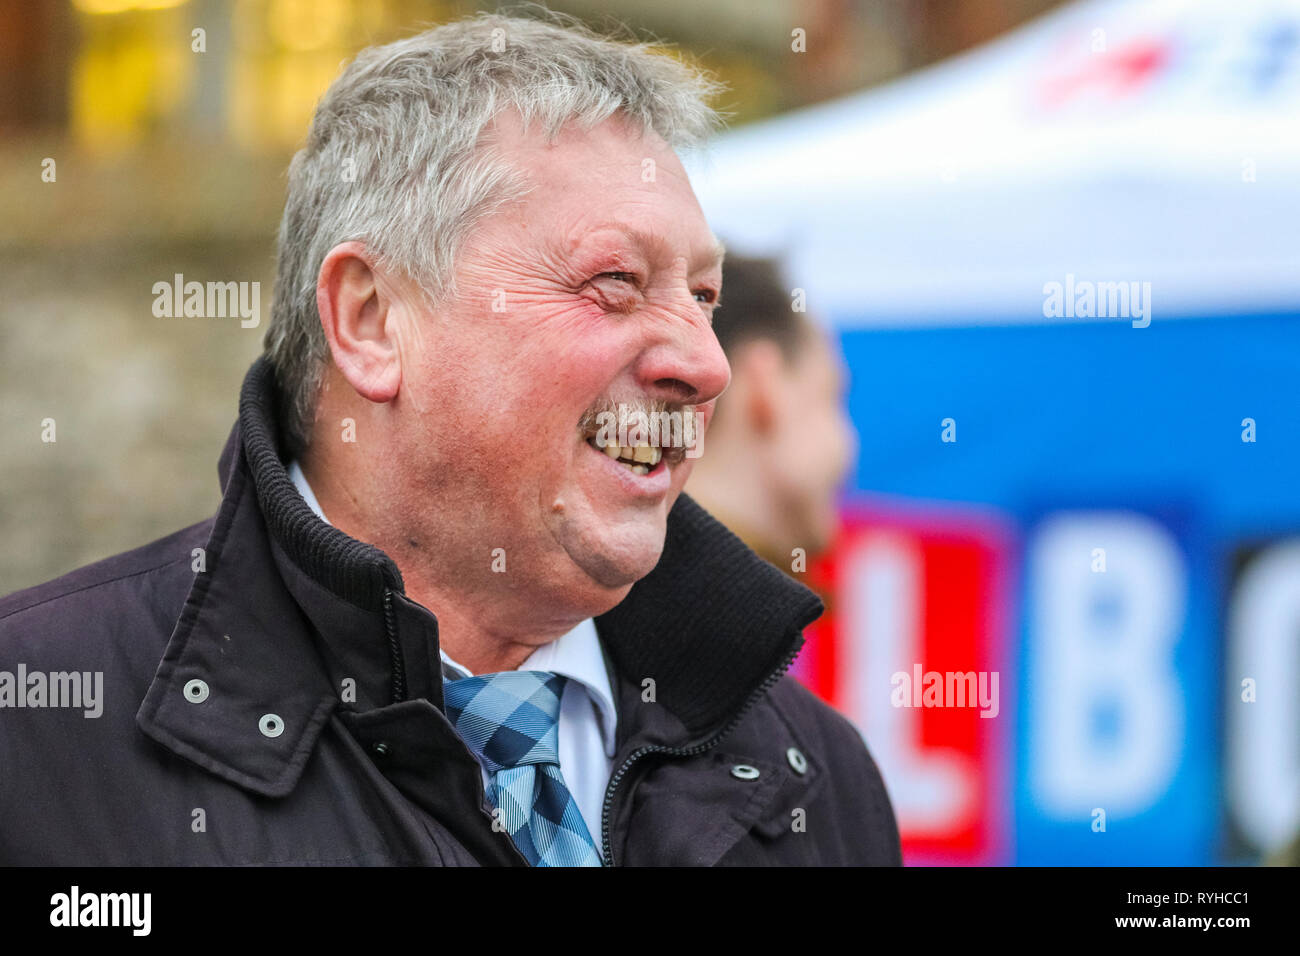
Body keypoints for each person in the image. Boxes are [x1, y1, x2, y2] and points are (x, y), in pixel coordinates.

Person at [0, 12, 900, 866]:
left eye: (701, 298)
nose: (706, 365)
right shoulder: (38, 730)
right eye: (616, 281)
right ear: (372, 319)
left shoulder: (812, 776)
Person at [686, 254, 857, 571]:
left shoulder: (614, 594)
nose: (849, 442)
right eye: (831, 397)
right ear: (765, 386)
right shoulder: (737, 609)